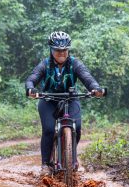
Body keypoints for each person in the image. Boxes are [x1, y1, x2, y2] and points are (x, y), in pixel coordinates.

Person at [25, 31, 104, 175]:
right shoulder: (45, 64)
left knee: (77, 127)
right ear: (51, 49)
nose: (61, 53)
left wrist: (96, 89)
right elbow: (32, 78)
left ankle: (71, 158)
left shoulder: (75, 64)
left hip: (71, 98)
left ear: (68, 49)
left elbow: (87, 78)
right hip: (48, 99)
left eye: (64, 50)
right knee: (49, 129)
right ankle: (46, 164)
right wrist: (31, 89)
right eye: (58, 50)